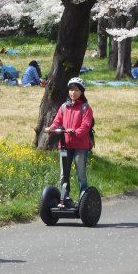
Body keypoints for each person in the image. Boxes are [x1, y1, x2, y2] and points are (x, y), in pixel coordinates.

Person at [44, 77, 94, 206]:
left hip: (80, 146)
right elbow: (57, 121)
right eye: (71, 89)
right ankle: (64, 198)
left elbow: (86, 125)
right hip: (64, 146)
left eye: (76, 90)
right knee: (63, 174)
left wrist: (76, 132)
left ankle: (83, 200)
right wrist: (51, 129)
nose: (73, 93)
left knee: (80, 174)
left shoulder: (85, 108)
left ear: (82, 92)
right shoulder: (64, 107)